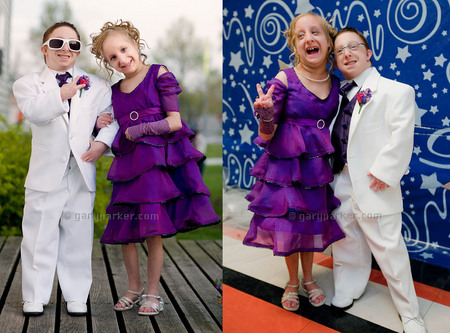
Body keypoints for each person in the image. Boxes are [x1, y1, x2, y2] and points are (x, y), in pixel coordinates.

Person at [90, 20, 220, 316]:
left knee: (152, 229)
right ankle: (133, 288)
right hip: (128, 166)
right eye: (113, 57)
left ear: (136, 44)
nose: (122, 59)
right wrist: (100, 123)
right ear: (107, 62)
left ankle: (152, 293)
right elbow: (110, 120)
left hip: (154, 166)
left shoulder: (158, 73)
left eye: (124, 49)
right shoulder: (115, 90)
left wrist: (140, 130)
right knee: (126, 229)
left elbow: (174, 121)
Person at [13, 22, 119, 316]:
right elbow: (34, 112)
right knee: (38, 236)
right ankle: (34, 296)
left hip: (81, 171)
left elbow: (110, 119)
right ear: (45, 48)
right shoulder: (28, 84)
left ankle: (76, 295)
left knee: (78, 236)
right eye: (58, 43)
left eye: (73, 45)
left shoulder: (97, 85)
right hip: (45, 173)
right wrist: (63, 93)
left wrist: (100, 144)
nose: (66, 49)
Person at [243, 12, 345, 311]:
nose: (308, 39)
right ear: (294, 45)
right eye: (300, 35)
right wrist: (265, 114)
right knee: (289, 222)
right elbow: (268, 131)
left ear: (328, 42)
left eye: (315, 32)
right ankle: (292, 281)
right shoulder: (284, 78)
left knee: (311, 219)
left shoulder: (336, 84)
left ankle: (309, 278)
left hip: (315, 166)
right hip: (285, 167)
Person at [330, 27, 427, 333]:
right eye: (340, 50)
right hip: (340, 179)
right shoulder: (335, 96)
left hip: (375, 183)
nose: (347, 53)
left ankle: (410, 312)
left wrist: (385, 172)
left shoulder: (396, 90)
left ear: (368, 52)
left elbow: (401, 135)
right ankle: (348, 286)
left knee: (389, 248)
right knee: (346, 239)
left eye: (353, 46)